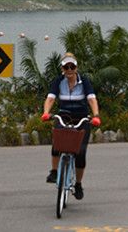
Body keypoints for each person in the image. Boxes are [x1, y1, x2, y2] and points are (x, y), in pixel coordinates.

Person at [41, 52, 101, 200]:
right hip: (64, 116)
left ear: (76, 67)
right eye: (66, 67)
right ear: (62, 68)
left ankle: (78, 184)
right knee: (57, 142)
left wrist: (96, 116)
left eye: (72, 66)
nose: (69, 69)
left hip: (81, 118)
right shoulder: (58, 81)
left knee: (80, 153)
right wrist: (46, 112)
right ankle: (54, 172)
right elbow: (50, 98)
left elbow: (92, 99)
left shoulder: (84, 81)